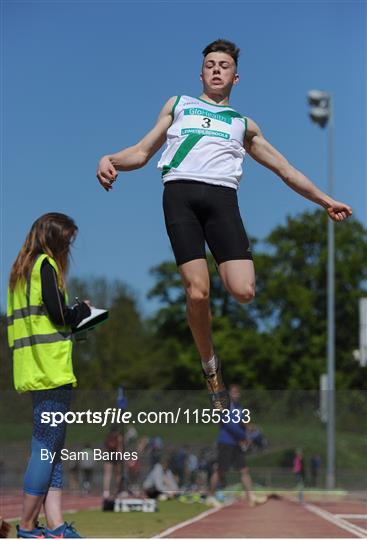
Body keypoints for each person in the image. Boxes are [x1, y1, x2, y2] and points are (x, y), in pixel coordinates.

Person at [96, 39, 352, 410]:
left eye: (224, 65)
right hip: (180, 196)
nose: (217, 69)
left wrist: (325, 200)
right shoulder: (179, 105)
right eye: (211, 64)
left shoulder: (243, 124)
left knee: (244, 290)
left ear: (235, 77)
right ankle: (210, 364)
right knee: (197, 292)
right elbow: (141, 151)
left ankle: (215, 289)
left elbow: (285, 169)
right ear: (201, 73)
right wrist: (111, 159)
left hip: (222, 201)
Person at [7, 213, 92, 538]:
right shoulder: (45, 266)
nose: (68, 248)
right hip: (51, 368)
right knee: (45, 446)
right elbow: (60, 315)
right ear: (53, 240)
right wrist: (83, 310)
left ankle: (55, 524)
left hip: (31, 368)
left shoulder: (19, 273)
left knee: (53, 447)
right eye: (67, 241)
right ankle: (27, 525)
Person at [208, 385, 267, 507]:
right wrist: (244, 437)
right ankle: (211, 496)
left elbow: (242, 422)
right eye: (233, 392)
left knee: (244, 470)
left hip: (237, 443)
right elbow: (229, 424)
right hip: (225, 442)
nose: (236, 394)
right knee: (220, 470)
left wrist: (250, 429)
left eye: (238, 392)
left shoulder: (240, 407)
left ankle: (251, 497)